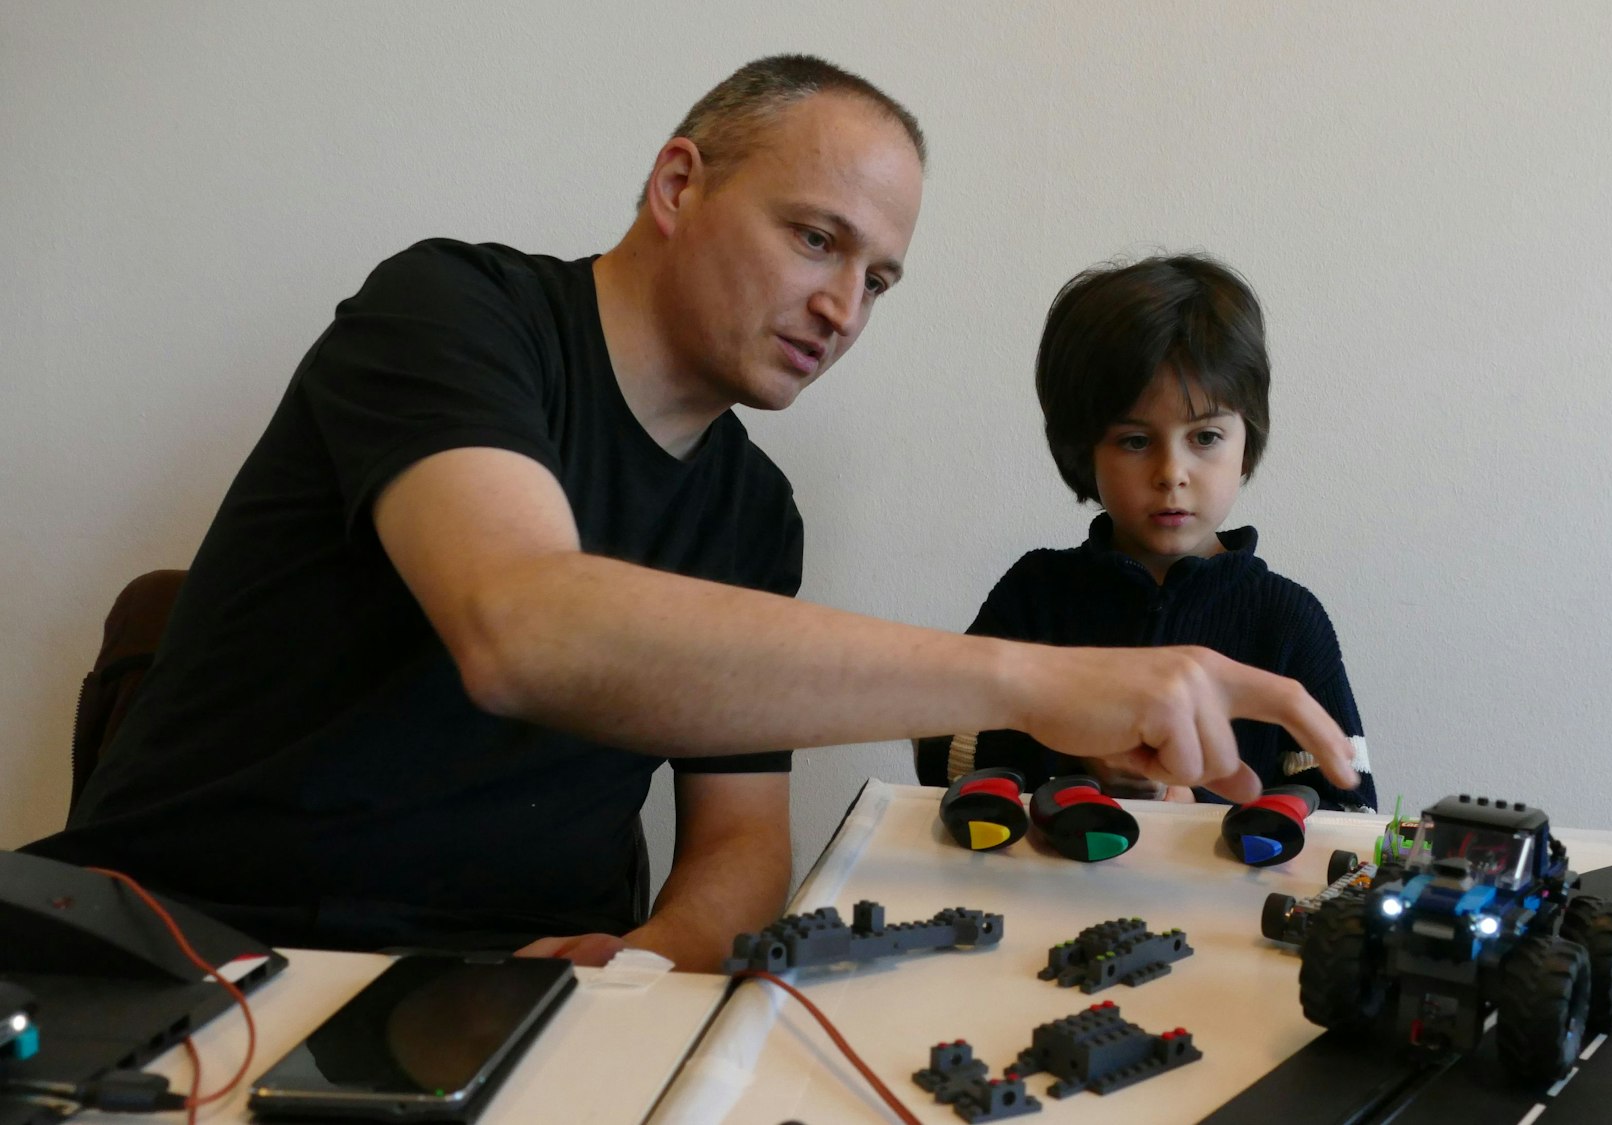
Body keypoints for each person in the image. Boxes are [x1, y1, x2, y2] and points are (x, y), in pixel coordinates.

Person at [27, 58, 1356, 972]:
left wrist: (657, 955)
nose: (846, 308)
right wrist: (1034, 676)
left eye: (881, 279)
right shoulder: (450, 314)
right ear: (679, 186)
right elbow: (523, 626)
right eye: (817, 239)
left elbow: (734, 855)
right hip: (193, 946)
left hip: (508, 987)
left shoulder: (750, 512)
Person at [915, 255, 1377, 810]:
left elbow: (1353, 811)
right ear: (1082, 452)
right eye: (1134, 441)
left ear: (1247, 446)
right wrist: (1079, 754)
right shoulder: (1037, 591)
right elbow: (939, 754)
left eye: (1205, 437)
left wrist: (1197, 805)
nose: (1171, 474)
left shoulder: (1287, 618)